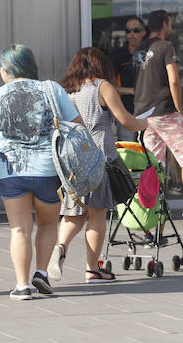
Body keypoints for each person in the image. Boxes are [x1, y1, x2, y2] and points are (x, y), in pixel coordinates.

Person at [0, 44, 81, 300]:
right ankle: (41, 273)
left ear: (6, 70)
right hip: (49, 171)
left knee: (19, 229)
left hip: (11, 172)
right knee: (46, 224)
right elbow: (77, 125)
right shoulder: (51, 89)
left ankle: (22, 285)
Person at [49, 47, 149, 283]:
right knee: (96, 215)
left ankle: (60, 247)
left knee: (74, 212)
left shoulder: (65, 90)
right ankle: (92, 269)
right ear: (101, 65)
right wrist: (145, 123)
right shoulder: (102, 87)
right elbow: (126, 120)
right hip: (98, 157)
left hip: (71, 160)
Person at [133, 9, 183, 217]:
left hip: (143, 114)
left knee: (152, 161)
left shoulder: (139, 49)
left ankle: (151, 207)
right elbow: (174, 79)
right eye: (171, 23)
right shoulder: (165, 46)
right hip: (165, 110)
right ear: (165, 23)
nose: (173, 28)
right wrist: (179, 108)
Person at [111, 16, 147, 141]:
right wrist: (132, 91)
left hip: (148, 108)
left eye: (136, 30)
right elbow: (110, 87)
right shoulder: (117, 55)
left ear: (143, 32)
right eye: (128, 31)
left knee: (150, 151)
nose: (131, 34)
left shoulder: (151, 52)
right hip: (125, 110)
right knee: (127, 149)